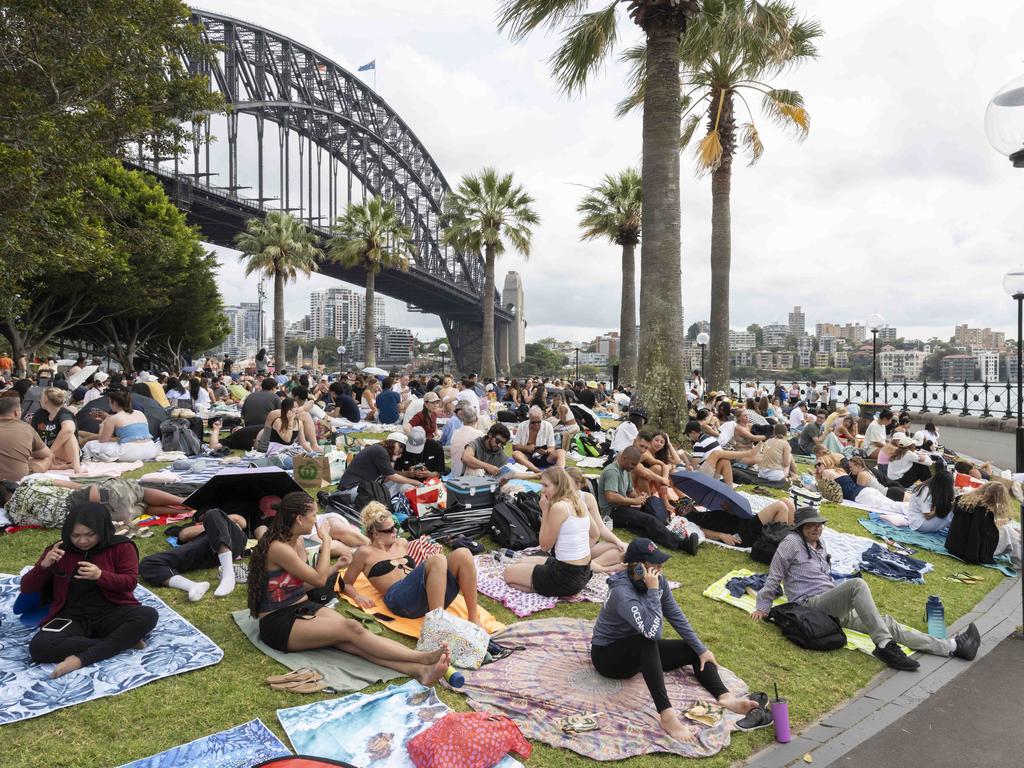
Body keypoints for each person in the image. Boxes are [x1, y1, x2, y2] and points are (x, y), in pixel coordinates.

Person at [247, 493, 451, 681]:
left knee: (354, 639)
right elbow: (318, 580)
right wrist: (326, 540)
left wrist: (336, 566)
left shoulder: (297, 541)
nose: (317, 519)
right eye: (313, 515)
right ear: (299, 519)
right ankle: (421, 658)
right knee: (351, 628)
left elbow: (305, 585)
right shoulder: (279, 548)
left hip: (302, 606)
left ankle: (419, 671)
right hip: (277, 623)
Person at [752, 507, 980, 671]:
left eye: (819, 524)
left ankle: (952, 647)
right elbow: (774, 576)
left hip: (831, 605)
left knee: (887, 623)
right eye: (810, 525)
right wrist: (763, 606)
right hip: (810, 606)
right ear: (800, 527)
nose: (816, 528)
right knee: (857, 584)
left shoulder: (819, 544)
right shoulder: (790, 543)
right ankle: (884, 645)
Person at [592, 538, 771, 740]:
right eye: (655, 563)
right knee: (647, 641)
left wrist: (702, 649)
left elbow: (675, 615)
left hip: (638, 650)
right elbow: (654, 633)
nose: (660, 567)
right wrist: (652, 591)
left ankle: (726, 697)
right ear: (638, 567)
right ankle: (667, 715)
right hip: (608, 657)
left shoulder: (657, 581)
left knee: (692, 649)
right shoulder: (622, 593)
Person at [21, 502, 160, 678]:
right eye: (75, 535)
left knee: (147, 615)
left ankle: (80, 659)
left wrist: (100, 575)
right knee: (39, 647)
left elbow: (129, 583)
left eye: (90, 534)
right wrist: (44, 566)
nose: (82, 541)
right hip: (70, 616)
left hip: (110, 612)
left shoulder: (121, 547)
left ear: (102, 529)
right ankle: (122, 641)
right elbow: (27, 588)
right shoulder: (58, 550)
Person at [346, 501, 484, 626]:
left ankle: (473, 617)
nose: (395, 531)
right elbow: (346, 583)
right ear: (376, 534)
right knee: (438, 559)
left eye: (395, 526)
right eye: (389, 530)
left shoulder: (402, 543)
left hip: (420, 597)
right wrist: (357, 596)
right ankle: (437, 624)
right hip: (398, 600)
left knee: (463, 554)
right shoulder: (365, 553)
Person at [503, 467, 595, 596]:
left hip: (565, 576)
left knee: (508, 573)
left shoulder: (559, 507)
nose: (543, 490)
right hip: (584, 571)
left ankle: (549, 590)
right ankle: (547, 588)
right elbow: (595, 533)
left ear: (559, 486)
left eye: (546, 485)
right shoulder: (579, 502)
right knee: (520, 562)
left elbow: (545, 546)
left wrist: (545, 511)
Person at [597, 447, 694, 552]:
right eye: (633, 464)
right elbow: (611, 497)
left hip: (622, 508)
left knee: (649, 516)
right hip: (611, 512)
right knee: (648, 520)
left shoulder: (625, 470)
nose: (634, 467)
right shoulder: (612, 471)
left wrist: (639, 497)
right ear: (624, 458)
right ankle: (681, 543)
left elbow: (630, 491)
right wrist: (634, 501)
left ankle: (668, 533)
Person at [140, 508, 248, 601]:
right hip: (203, 549)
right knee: (147, 563)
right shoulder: (192, 525)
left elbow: (241, 522)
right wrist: (208, 525)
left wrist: (219, 521)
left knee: (213, 513)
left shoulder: (217, 514)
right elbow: (184, 535)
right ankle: (193, 586)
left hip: (232, 543)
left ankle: (228, 575)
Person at [567, 467, 627, 572]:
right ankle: (590, 567)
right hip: (570, 548)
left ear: (577, 485)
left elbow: (600, 527)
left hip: (587, 544)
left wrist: (619, 542)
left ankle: (589, 566)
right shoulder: (557, 500)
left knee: (623, 549)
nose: (562, 487)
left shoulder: (587, 498)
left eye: (566, 483)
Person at [81, 391, 159, 463]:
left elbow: (102, 440)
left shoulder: (114, 418)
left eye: (110, 402)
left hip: (131, 451)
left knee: (89, 445)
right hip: (150, 449)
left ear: (114, 403)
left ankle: (87, 462)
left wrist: (103, 424)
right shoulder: (140, 413)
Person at [337, 432, 423, 498]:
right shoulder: (380, 451)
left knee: (399, 484)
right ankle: (389, 503)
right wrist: (417, 483)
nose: (402, 450)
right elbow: (392, 477)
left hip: (358, 489)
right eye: (401, 447)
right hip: (351, 491)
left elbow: (387, 478)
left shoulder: (379, 450)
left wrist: (394, 458)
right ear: (394, 443)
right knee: (399, 484)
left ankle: (390, 502)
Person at [0, 396, 52, 481]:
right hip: (16, 483)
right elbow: (46, 454)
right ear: (16, 413)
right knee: (47, 458)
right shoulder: (25, 428)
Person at [511, 406, 566, 472]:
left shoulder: (548, 426)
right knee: (516, 454)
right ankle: (538, 471)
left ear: (542, 418)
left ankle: (560, 473)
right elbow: (514, 447)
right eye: (533, 422)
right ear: (529, 419)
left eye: (538, 422)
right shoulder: (522, 426)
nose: (536, 425)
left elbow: (552, 447)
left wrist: (546, 451)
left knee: (561, 452)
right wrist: (526, 448)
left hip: (545, 457)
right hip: (527, 458)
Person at [449, 405, 484, 477]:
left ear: (462, 419)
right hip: (469, 476)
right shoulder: (479, 434)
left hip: (455, 473)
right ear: (477, 419)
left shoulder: (455, 433)